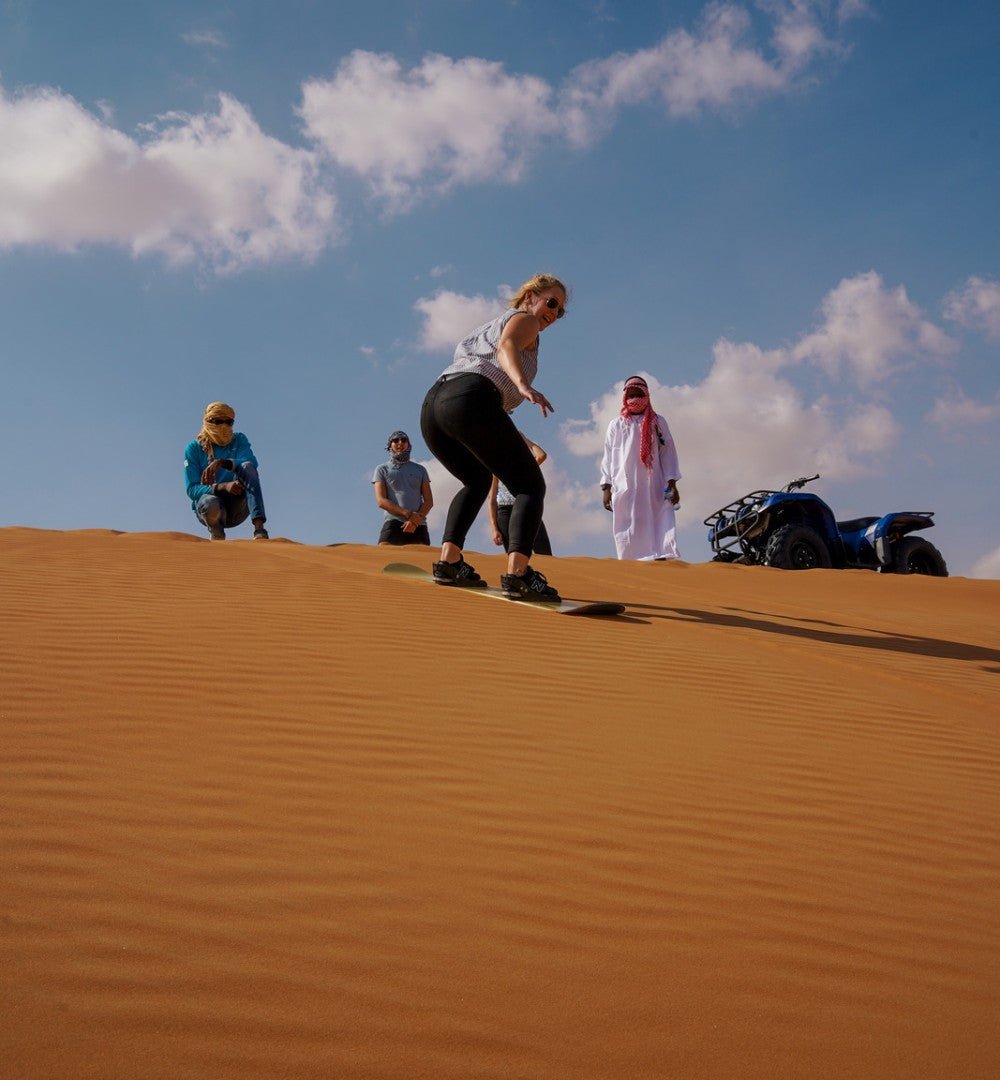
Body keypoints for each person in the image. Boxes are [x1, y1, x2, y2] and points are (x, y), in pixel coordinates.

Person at [420, 272, 567, 602]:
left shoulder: (489, 325)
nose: (554, 313)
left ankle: (449, 562)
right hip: (471, 397)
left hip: (434, 407)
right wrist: (523, 384)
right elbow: (508, 346)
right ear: (530, 297)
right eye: (551, 302)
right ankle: (519, 575)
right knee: (530, 486)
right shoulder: (523, 319)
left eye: (560, 311)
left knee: (476, 480)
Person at [600, 375, 681, 561]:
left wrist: (672, 482)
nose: (635, 398)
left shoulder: (657, 422)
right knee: (627, 521)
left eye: (639, 393)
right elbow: (609, 456)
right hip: (625, 483)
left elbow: (668, 452)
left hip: (654, 482)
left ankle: (662, 554)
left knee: (659, 516)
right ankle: (630, 559)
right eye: (631, 394)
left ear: (646, 395)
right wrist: (606, 487)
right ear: (625, 396)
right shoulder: (616, 424)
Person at [183, 401, 270, 541]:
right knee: (211, 502)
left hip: (237, 505)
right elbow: (192, 489)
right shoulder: (194, 448)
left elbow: (251, 463)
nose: (224, 426)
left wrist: (223, 462)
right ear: (208, 421)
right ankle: (217, 537)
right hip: (210, 507)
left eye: (228, 422)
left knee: (247, 467)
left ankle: (260, 530)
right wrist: (222, 487)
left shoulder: (239, 440)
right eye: (218, 421)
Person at [488, 434, 553, 556]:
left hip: (528, 508)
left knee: (544, 553)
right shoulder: (496, 467)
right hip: (505, 513)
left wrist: (524, 439)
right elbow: (492, 500)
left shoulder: (524, 466)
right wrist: (494, 529)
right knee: (514, 555)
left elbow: (541, 456)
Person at [372, 431, 433, 546]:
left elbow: (429, 501)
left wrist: (415, 520)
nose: (400, 443)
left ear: (409, 445)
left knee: (420, 562)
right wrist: (408, 514)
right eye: (395, 440)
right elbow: (381, 501)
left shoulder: (420, 470)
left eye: (404, 440)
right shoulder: (382, 469)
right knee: (384, 559)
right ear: (390, 445)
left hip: (419, 525)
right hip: (393, 522)